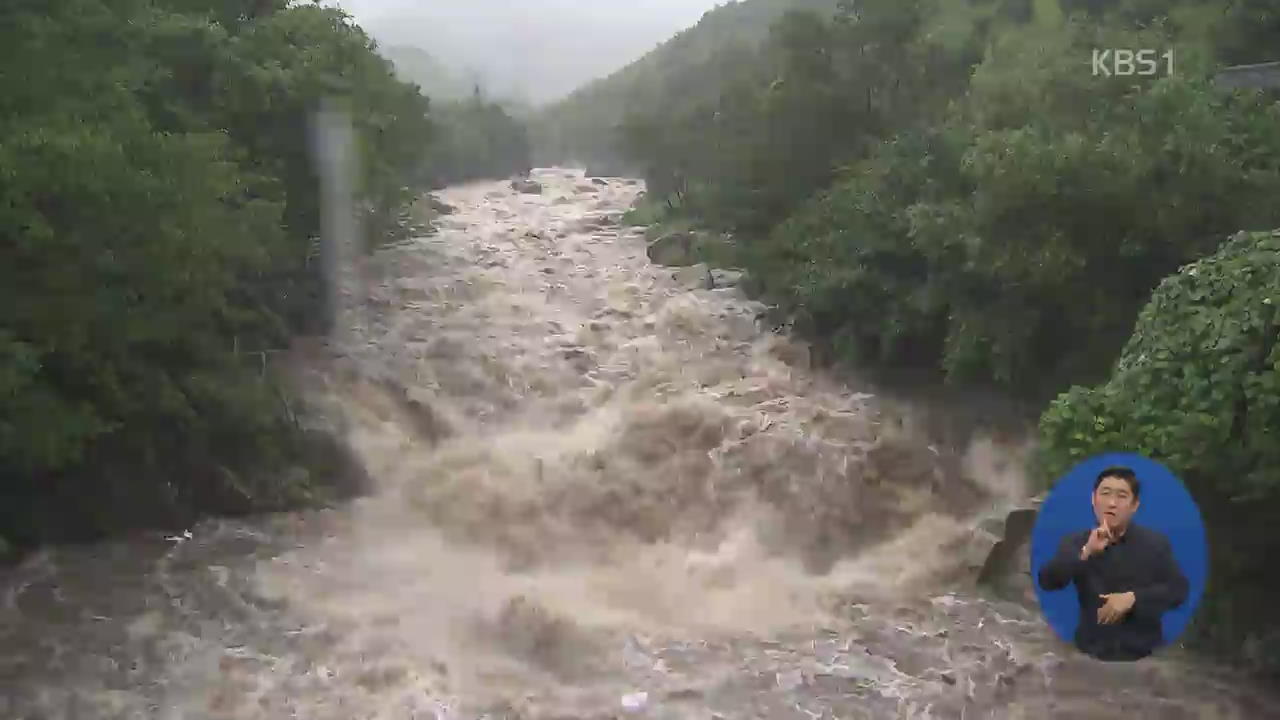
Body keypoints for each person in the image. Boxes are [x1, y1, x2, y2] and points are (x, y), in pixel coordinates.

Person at [1037, 466, 1190, 661]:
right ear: (1093, 500)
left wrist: (1133, 598)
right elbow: (1048, 581)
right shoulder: (1076, 542)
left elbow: (1179, 590)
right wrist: (1086, 553)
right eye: (1105, 494)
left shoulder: (1155, 543)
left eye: (1121, 496)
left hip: (1143, 656)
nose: (1111, 503)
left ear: (1134, 505)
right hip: (1090, 655)